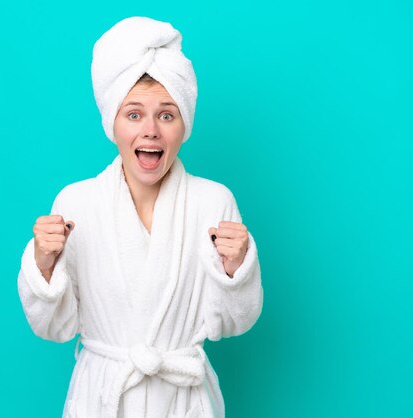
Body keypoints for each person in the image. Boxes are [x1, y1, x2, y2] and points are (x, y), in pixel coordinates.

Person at [17, 16, 263, 418]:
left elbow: (232, 323)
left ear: (184, 125)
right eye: (133, 115)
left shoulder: (213, 202)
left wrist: (236, 269)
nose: (150, 130)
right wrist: (43, 266)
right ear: (112, 124)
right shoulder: (76, 202)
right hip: (103, 399)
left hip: (183, 401)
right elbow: (54, 328)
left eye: (166, 115)